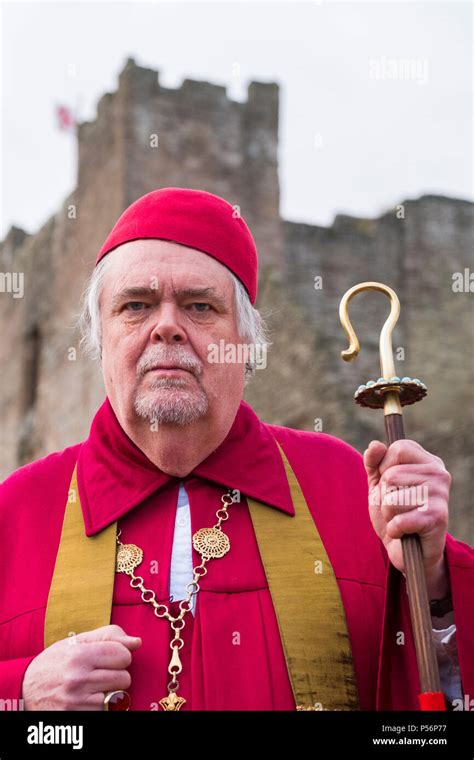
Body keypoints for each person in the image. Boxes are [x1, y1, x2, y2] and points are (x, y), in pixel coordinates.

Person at [0, 188, 472, 712]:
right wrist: (19, 694)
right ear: (100, 338)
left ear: (245, 343)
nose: (167, 327)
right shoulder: (17, 511)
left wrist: (430, 577)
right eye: (135, 306)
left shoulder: (347, 488)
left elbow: (433, 700)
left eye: (200, 306)